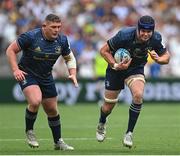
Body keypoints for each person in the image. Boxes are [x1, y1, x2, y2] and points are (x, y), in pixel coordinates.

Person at [96, 15, 170, 148]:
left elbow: (167, 57)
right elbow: (103, 51)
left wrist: (159, 59)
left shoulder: (156, 38)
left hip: (135, 69)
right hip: (116, 69)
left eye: (149, 32)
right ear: (138, 29)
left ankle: (129, 133)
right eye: (143, 31)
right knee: (108, 107)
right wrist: (115, 65)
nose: (146, 34)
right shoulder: (124, 35)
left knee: (138, 95)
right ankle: (102, 122)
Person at [6, 14, 78, 150]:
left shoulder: (62, 40)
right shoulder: (30, 37)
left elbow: (69, 58)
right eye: (53, 27)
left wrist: (72, 74)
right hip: (27, 73)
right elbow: (10, 50)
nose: (57, 30)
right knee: (35, 101)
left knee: (52, 109)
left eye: (59, 27)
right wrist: (15, 70)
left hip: (46, 76)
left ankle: (58, 142)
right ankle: (29, 131)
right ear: (44, 26)